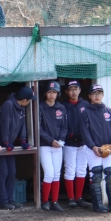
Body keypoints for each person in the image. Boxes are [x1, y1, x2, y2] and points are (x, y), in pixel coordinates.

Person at [0, 86, 35, 210]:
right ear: (25, 100)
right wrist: (5, 141)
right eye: (29, 100)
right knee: (3, 173)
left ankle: (11, 199)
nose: (29, 102)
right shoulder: (9, 104)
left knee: (12, 172)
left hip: (9, 144)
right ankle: (3, 201)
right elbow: (4, 124)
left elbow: (22, 125)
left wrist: (23, 140)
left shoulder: (21, 108)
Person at [80, 84, 111, 213]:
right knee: (96, 176)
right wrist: (93, 146)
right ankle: (98, 205)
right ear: (89, 96)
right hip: (93, 149)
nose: (97, 96)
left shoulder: (109, 111)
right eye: (94, 94)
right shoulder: (85, 112)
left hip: (108, 149)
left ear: (103, 95)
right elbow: (84, 132)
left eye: (99, 93)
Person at [61, 81, 92, 209]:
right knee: (70, 170)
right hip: (69, 143)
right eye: (71, 89)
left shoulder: (86, 104)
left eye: (76, 89)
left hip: (83, 143)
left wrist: (86, 137)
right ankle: (71, 198)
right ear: (66, 92)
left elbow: (90, 123)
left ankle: (79, 198)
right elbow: (61, 125)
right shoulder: (63, 106)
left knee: (82, 169)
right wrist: (71, 135)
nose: (73, 92)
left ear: (80, 90)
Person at [39, 81, 67, 212]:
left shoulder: (61, 108)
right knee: (49, 173)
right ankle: (45, 201)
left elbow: (64, 127)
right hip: (45, 145)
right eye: (49, 92)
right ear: (45, 93)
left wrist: (60, 140)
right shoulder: (40, 107)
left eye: (54, 92)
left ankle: (54, 201)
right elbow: (38, 128)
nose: (51, 95)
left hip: (58, 146)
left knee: (56, 174)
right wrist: (51, 140)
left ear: (57, 94)